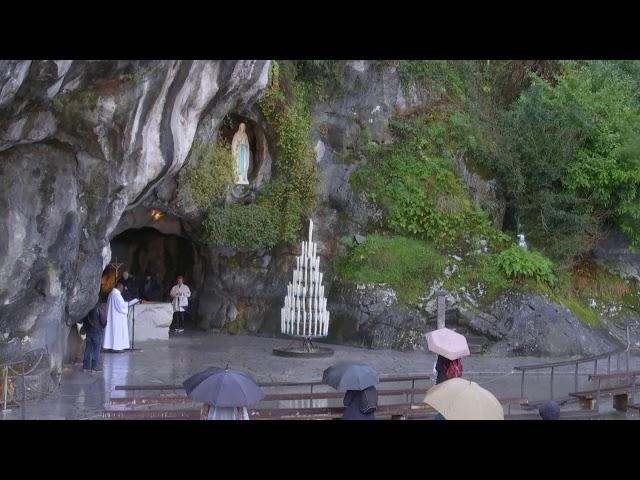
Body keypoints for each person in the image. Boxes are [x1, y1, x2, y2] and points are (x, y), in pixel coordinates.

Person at [103, 281, 140, 352]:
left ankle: (113, 346)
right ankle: (116, 347)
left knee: (113, 331)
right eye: (122, 288)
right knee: (117, 332)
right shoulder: (116, 294)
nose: (122, 290)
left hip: (114, 316)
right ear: (119, 287)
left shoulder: (112, 293)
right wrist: (128, 303)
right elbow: (121, 306)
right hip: (117, 317)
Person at [82, 301, 106, 372]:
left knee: (88, 349)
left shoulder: (86, 309)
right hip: (97, 332)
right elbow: (104, 321)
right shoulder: (98, 308)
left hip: (89, 332)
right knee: (96, 350)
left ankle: (85, 367)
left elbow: (82, 320)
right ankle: (94, 367)